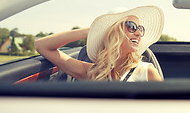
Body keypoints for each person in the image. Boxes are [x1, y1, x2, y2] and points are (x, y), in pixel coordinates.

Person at [35, 5, 164, 81]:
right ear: (113, 31)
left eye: (140, 28)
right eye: (131, 26)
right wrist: (93, 31)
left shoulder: (148, 72)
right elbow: (42, 46)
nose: (138, 33)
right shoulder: (92, 72)